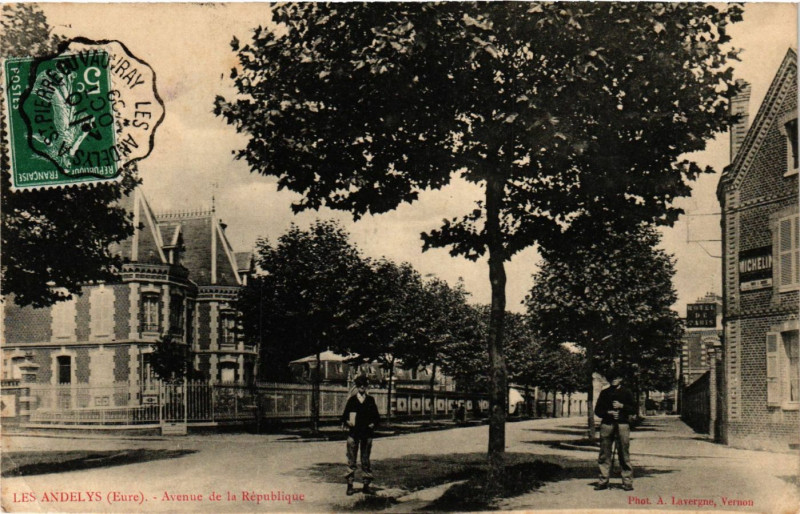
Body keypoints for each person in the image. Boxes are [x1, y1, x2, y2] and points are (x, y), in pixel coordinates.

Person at [594, 369, 636, 491]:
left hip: (622, 425)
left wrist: (622, 407)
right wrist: (608, 412)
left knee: (624, 453)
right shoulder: (604, 392)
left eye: (616, 377)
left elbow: (634, 409)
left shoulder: (627, 392)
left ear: (621, 379)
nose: (614, 380)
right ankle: (603, 480)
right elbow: (598, 411)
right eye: (611, 378)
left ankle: (627, 482)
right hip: (607, 425)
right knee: (604, 454)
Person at [341, 374, 381, 495]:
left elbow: (377, 417)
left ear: (366, 386)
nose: (362, 387)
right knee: (351, 460)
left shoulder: (370, 400)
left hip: (367, 434)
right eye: (360, 385)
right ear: (357, 387)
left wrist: (373, 424)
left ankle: (366, 485)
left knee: (365, 460)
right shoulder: (352, 400)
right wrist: (347, 422)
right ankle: (350, 485)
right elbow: (344, 417)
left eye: (364, 385)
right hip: (354, 434)